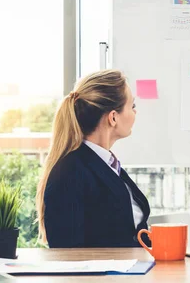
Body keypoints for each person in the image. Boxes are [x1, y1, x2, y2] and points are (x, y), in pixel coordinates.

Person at [36, 70, 151, 248]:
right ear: (113, 117)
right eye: (132, 105)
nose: (135, 112)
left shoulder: (107, 165)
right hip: (108, 275)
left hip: (134, 271)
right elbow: (67, 250)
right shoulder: (70, 172)